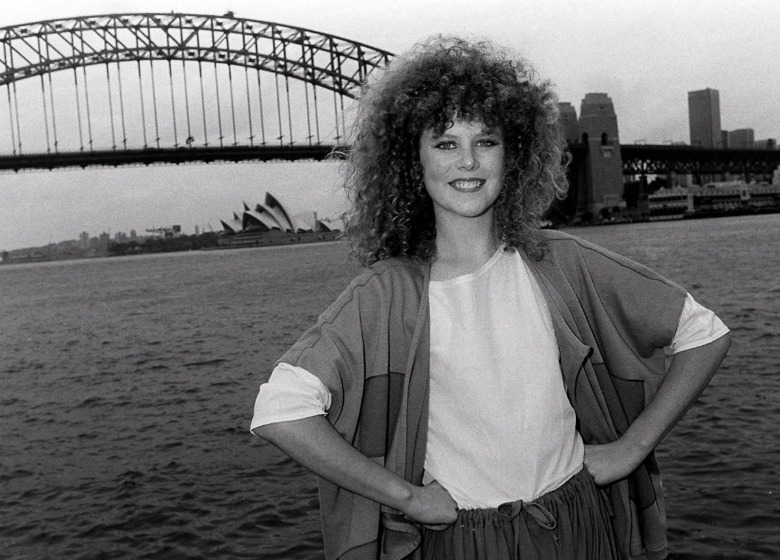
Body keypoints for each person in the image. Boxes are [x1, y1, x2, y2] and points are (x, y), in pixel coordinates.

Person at [250, 36, 731, 560]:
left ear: (514, 154)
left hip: (579, 521)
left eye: (486, 141)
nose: (468, 161)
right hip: (467, 541)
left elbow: (702, 333)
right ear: (412, 161)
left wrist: (632, 447)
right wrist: (406, 497)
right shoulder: (388, 293)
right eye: (445, 143)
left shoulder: (560, 262)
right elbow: (282, 411)